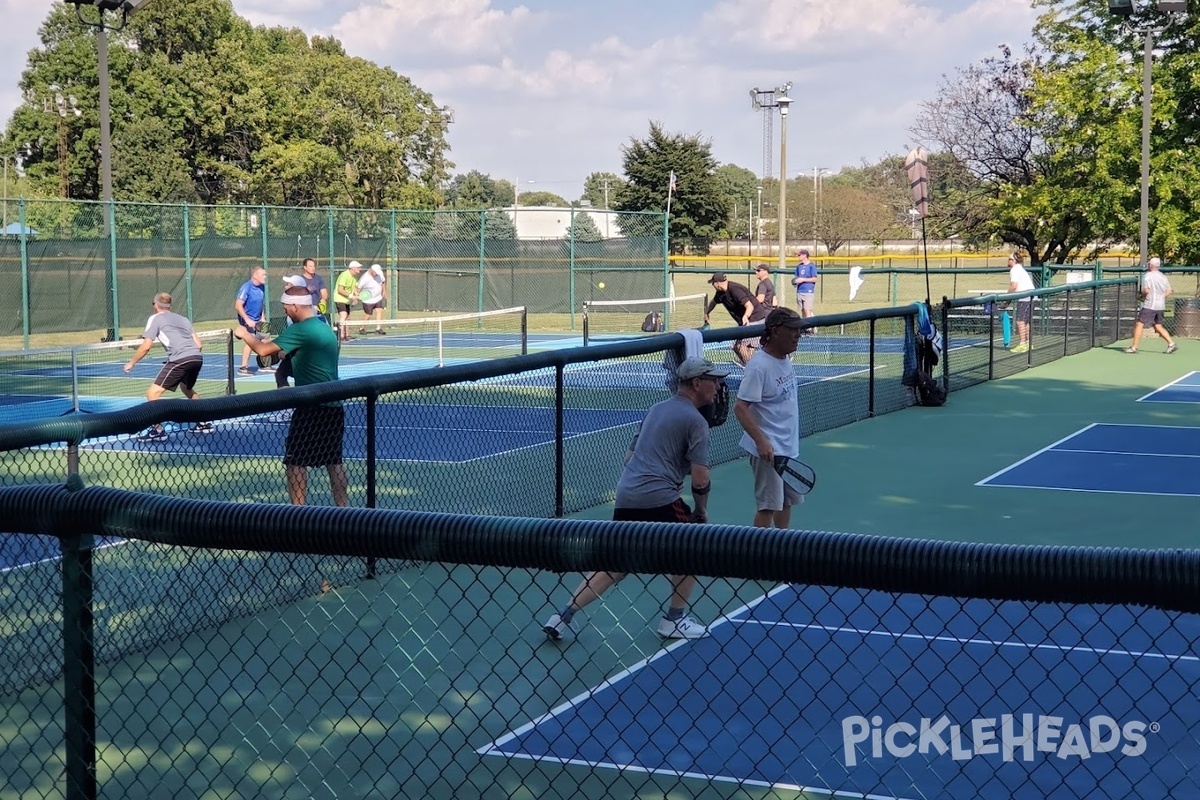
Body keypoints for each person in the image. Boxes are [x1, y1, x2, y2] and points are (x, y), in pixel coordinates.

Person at [542, 356, 728, 641]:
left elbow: (630, 457)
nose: (717, 386)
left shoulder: (655, 409)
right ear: (696, 383)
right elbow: (701, 479)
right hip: (660, 499)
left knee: (616, 565)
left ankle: (563, 617)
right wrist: (701, 511)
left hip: (627, 496)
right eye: (712, 380)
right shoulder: (696, 421)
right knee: (694, 548)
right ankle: (674, 620)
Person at [235, 277, 347, 508]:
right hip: (333, 404)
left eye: (286, 308)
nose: (285, 311)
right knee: (334, 461)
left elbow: (265, 350)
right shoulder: (323, 327)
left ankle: (297, 512)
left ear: (295, 307)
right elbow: (310, 361)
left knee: (295, 461)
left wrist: (244, 334)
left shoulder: (301, 329)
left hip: (311, 405)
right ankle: (344, 510)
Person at [733, 307, 804, 529]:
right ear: (774, 331)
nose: (797, 335)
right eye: (792, 330)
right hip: (768, 451)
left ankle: (784, 546)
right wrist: (761, 441)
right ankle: (756, 556)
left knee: (786, 501)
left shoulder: (785, 359)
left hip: (787, 446)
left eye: (798, 330)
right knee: (768, 506)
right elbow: (740, 408)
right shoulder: (759, 367)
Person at [122, 292, 213, 441]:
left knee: (152, 394)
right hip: (197, 357)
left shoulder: (155, 318)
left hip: (180, 359)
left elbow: (146, 346)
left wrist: (131, 363)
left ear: (156, 306)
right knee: (187, 388)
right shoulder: (183, 319)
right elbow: (199, 345)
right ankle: (204, 422)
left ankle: (158, 430)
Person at [703, 272, 771, 366]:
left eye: (713, 283)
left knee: (739, 346)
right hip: (745, 322)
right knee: (746, 348)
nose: (712, 285)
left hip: (755, 318)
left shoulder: (735, 289)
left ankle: (754, 368)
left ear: (717, 283)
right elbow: (713, 302)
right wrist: (707, 312)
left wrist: (745, 316)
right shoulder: (720, 293)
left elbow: (749, 306)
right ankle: (753, 368)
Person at [1126, 257, 1179, 354]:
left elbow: (1146, 290)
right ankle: (1171, 344)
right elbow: (1169, 291)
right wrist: (1161, 298)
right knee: (1158, 326)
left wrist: (1142, 296)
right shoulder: (1163, 276)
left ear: (1151, 265)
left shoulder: (1148, 276)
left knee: (1139, 324)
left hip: (1150, 305)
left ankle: (1134, 347)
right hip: (1160, 305)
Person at [234, 267, 271, 376]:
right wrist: (247, 319)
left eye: (265, 274)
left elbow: (261, 304)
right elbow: (238, 305)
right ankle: (243, 368)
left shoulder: (262, 287)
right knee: (251, 342)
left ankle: (265, 365)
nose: (265, 276)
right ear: (255, 275)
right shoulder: (246, 287)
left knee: (265, 339)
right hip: (247, 320)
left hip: (257, 319)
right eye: (263, 274)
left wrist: (262, 317)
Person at [1007, 253, 1036, 353]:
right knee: (1026, 322)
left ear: (1014, 260)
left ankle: (1023, 344)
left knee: (1020, 321)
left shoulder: (1015, 269)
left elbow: (1014, 286)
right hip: (1030, 297)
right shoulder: (1019, 269)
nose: (1008, 261)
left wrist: (1006, 300)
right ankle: (1028, 343)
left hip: (1026, 298)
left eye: (1009, 259)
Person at [333, 260, 363, 340]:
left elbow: (354, 289)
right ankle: (341, 335)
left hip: (346, 300)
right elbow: (340, 290)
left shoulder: (354, 277)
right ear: (352, 268)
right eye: (358, 268)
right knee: (344, 315)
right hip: (339, 299)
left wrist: (356, 296)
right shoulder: (344, 275)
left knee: (348, 317)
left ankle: (347, 335)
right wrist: (351, 296)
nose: (360, 269)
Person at [357, 263, 387, 334]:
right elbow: (357, 288)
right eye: (375, 272)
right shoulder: (364, 278)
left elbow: (383, 282)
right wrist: (356, 297)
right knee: (368, 314)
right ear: (372, 270)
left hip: (378, 297)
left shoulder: (380, 274)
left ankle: (378, 328)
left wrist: (384, 291)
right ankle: (361, 328)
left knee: (379, 310)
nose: (376, 274)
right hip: (368, 300)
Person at [791, 249, 818, 325]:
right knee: (802, 310)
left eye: (799, 255)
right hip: (800, 291)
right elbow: (796, 277)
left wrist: (803, 280)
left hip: (808, 291)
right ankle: (804, 326)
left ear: (805, 255)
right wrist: (795, 282)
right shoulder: (799, 266)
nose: (798, 257)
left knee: (807, 309)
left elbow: (814, 279)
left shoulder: (811, 266)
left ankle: (809, 327)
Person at [301, 257, 330, 324]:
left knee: (325, 327)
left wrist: (323, 300)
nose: (313, 268)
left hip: (317, 309)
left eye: (314, 266)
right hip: (305, 310)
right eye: (310, 266)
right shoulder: (300, 279)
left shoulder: (318, 278)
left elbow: (324, 292)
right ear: (305, 267)